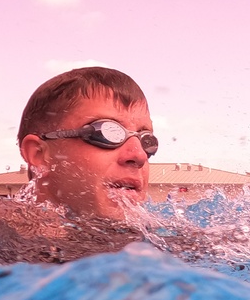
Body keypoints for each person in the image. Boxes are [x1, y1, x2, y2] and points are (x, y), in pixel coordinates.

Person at [18, 67, 158, 220]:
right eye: (106, 132)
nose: (139, 155)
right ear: (39, 154)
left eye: (147, 141)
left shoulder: (165, 235)